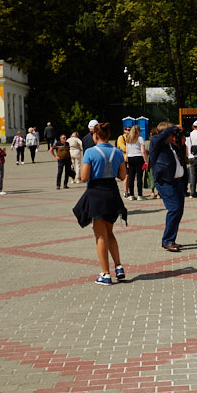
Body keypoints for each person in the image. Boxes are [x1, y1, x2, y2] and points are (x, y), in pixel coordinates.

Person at [74, 122, 128, 285]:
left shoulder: (90, 152)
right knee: (109, 232)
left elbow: (83, 177)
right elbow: (123, 175)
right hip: (112, 192)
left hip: (97, 194)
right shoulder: (117, 152)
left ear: (95, 135)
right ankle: (118, 267)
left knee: (100, 235)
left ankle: (106, 274)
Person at [148, 122, 188, 251]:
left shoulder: (172, 146)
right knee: (174, 209)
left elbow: (182, 158)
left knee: (179, 211)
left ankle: (171, 239)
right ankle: (167, 241)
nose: (173, 135)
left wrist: (181, 143)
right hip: (165, 182)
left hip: (178, 182)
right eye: (171, 133)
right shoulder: (156, 143)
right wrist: (174, 127)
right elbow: (161, 136)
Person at [123, 125, 146, 200]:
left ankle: (131, 195)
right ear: (139, 132)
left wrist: (127, 162)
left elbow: (127, 151)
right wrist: (145, 160)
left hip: (130, 158)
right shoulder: (140, 139)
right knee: (139, 177)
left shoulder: (128, 139)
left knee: (131, 177)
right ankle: (140, 195)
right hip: (139, 157)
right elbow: (143, 150)